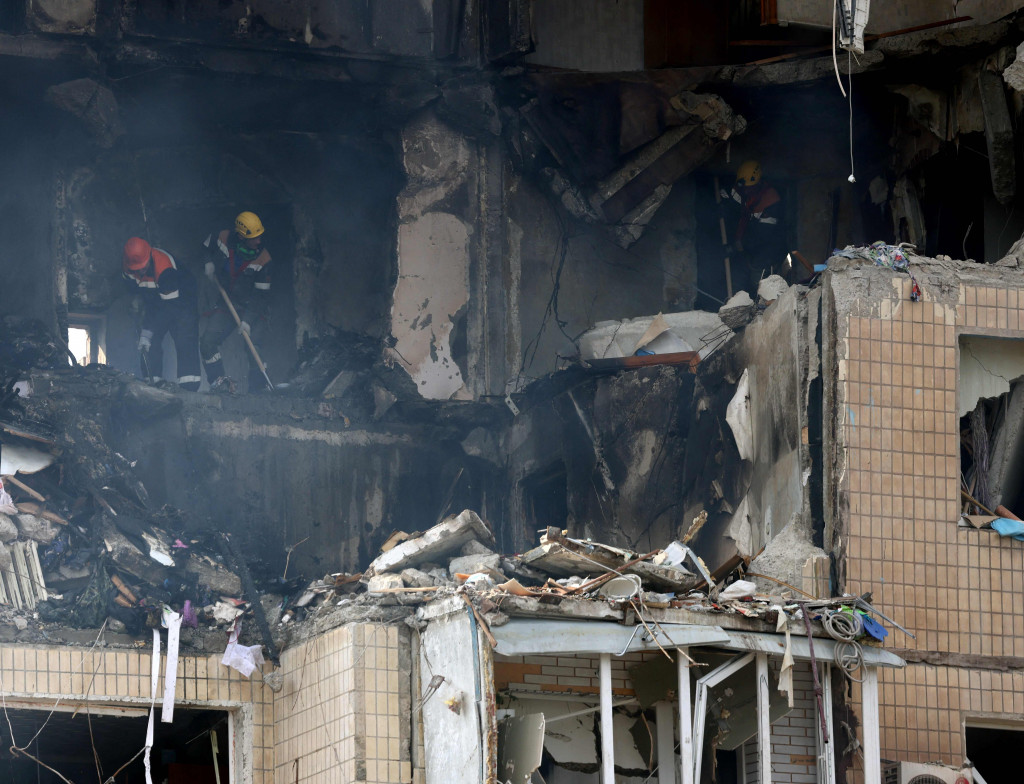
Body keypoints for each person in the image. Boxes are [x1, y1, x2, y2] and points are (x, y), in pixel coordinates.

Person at [200, 211, 272, 392]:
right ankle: (220, 383)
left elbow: (261, 296)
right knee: (207, 342)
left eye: (260, 236)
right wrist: (208, 262)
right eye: (254, 238)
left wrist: (247, 321)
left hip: (253, 308)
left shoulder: (264, 259)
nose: (258, 241)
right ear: (240, 236)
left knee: (253, 346)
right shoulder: (223, 237)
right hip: (228, 302)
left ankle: (258, 391)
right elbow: (205, 246)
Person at [121, 237, 201, 391]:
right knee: (149, 341)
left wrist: (147, 330)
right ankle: (152, 381)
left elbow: (167, 308)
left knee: (184, 337)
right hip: (155, 298)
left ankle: (189, 387)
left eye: (144, 267)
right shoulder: (128, 266)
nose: (141, 271)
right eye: (137, 269)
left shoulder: (165, 269)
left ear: (150, 256)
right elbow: (132, 287)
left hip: (181, 300)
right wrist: (137, 301)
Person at [720, 160, 787, 292]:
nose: (746, 190)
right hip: (746, 247)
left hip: (767, 248)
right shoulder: (743, 190)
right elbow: (731, 197)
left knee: (758, 280)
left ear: (758, 183)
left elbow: (762, 235)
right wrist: (722, 207)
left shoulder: (771, 200)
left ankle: (762, 308)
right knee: (738, 276)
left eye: (749, 187)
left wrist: (736, 246)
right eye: (744, 187)